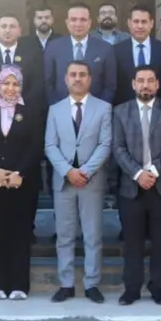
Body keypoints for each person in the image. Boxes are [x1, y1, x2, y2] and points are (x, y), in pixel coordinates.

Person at [111, 65, 161, 305]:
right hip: (131, 188)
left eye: (150, 80)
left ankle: (158, 287)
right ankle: (131, 288)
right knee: (133, 244)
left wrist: (153, 171)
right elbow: (118, 148)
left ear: (157, 84)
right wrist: (138, 173)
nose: (145, 85)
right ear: (133, 84)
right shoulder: (120, 112)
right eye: (140, 80)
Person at [45, 61, 113, 303]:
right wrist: (67, 172)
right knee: (64, 236)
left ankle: (91, 283)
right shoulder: (55, 109)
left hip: (90, 182)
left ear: (90, 79)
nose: (77, 78)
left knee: (92, 235)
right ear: (66, 79)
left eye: (82, 74)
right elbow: (50, 145)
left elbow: (105, 144)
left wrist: (84, 171)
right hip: (64, 182)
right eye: (73, 74)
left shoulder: (103, 108)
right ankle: (66, 284)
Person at [0, 66, 43, 300]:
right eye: (6, 83)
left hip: (22, 183)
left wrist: (20, 172)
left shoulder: (30, 111)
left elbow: (36, 145)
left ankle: (19, 285)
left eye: (15, 84)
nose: (11, 88)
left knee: (20, 233)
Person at [44, 2, 118, 105]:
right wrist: (58, 106)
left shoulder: (105, 48)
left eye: (83, 20)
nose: (78, 24)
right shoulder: (53, 47)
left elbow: (110, 86)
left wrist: (99, 108)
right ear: (67, 22)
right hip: (61, 108)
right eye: (73, 19)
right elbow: (48, 84)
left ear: (89, 22)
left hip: (95, 109)